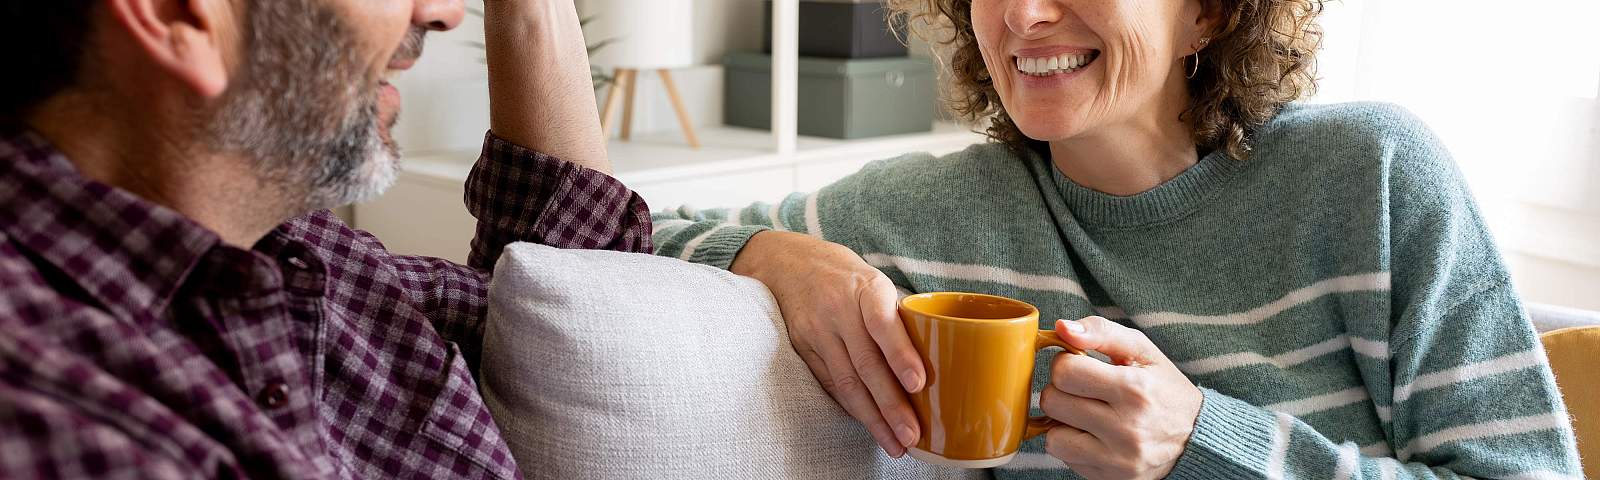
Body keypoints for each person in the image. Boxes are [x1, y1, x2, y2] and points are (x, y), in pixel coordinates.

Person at [653, 0, 1583, 478]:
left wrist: (1202, 443)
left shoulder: (1372, 177)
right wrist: (774, 257)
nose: (1020, 16)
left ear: (1211, 10)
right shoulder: (932, 211)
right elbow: (611, 226)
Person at [0, 0, 649, 477]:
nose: (448, 13)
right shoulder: (53, 413)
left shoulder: (308, 255)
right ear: (176, 14)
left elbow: (579, 325)